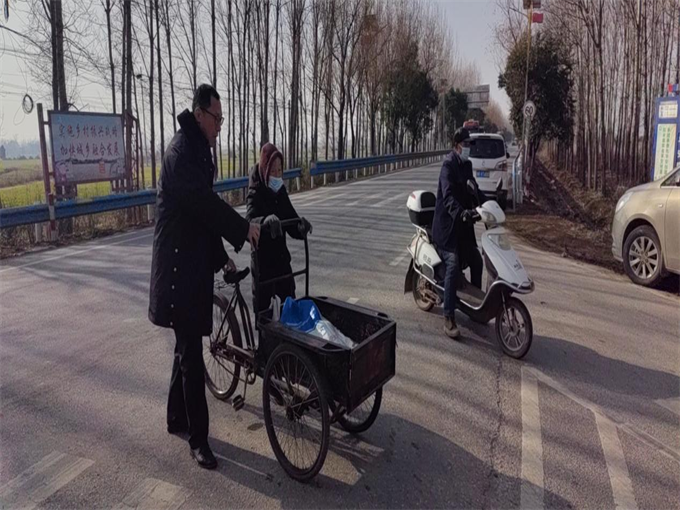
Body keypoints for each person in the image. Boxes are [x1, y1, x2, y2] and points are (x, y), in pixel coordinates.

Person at [148, 84, 261, 470]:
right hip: (176, 270)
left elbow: (201, 219)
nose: (219, 126)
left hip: (189, 264)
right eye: (217, 119)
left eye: (222, 120)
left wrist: (222, 257)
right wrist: (242, 228)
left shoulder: (197, 152)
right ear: (199, 115)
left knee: (185, 348)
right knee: (192, 357)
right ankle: (199, 441)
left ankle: (175, 418)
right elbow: (205, 206)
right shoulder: (182, 154)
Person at [246, 142, 312, 314]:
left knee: (290, 309)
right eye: (273, 171)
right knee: (265, 316)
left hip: (282, 261)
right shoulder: (256, 191)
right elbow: (249, 220)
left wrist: (301, 227)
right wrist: (265, 221)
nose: (277, 175)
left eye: (279, 170)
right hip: (263, 266)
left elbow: (290, 218)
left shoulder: (280, 191)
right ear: (265, 170)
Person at [431, 127, 484, 339]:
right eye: (466, 144)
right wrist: (461, 213)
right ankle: (449, 315)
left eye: (470, 144)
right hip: (447, 229)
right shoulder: (448, 166)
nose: (468, 148)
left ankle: (475, 308)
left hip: (462, 229)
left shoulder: (467, 166)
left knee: (477, 260)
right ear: (457, 146)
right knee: (453, 265)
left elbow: (474, 189)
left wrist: (487, 204)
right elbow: (448, 197)